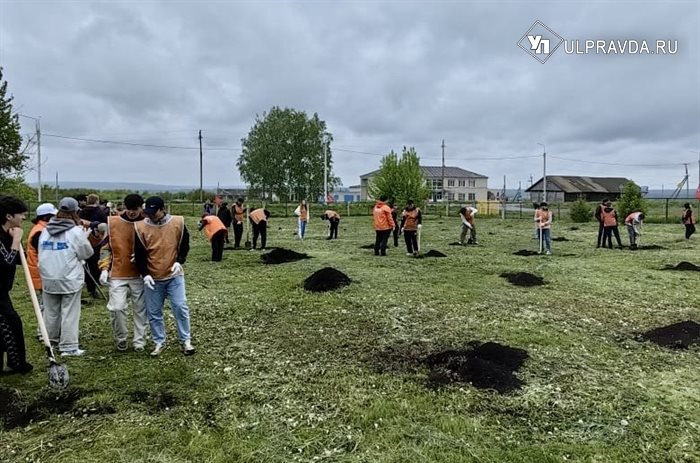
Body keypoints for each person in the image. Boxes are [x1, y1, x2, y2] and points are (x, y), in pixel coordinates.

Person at [134, 196, 194, 357]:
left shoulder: (178, 223)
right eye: (148, 212)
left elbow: (185, 243)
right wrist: (145, 274)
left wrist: (180, 261)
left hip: (174, 274)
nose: (151, 216)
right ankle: (159, 341)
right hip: (153, 277)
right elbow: (139, 253)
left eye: (154, 212)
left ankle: (186, 340)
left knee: (180, 306)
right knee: (153, 312)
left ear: (162, 209)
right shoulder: (140, 227)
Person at [38, 197, 95, 357]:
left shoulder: (45, 230)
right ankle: (69, 347)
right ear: (76, 212)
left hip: (48, 277)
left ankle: (50, 340)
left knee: (50, 311)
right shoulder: (75, 231)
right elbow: (87, 253)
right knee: (69, 312)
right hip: (69, 277)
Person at [98, 194, 147, 352]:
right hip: (118, 273)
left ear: (141, 208)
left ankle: (139, 340)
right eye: (129, 209)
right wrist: (104, 268)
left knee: (140, 309)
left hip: (140, 274)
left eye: (135, 209)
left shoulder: (147, 222)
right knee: (117, 308)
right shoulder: (113, 222)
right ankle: (121, 337)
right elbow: (106, 248)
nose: (132, 212)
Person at [0, 196, 33, 374]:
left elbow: (20, 259)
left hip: (2, 291)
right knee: (9, 324)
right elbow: (6, 262)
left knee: (11, 325)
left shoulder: (7, 234)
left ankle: (16, 362)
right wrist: (15, 241)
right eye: (21, 214)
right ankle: (17, 363)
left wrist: (17, 243)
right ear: (8, 216)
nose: (23, 217)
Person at [27, 203, 58, 340]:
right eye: (53, 216)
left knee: (46, 304)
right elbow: (44, 254)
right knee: (45, 305)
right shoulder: (40, 232)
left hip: (41, 271)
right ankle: (42, 332)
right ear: (46, 217)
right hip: (41, 273)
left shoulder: (40, 229)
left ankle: (45, 331)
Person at [79, 193, 108, 299]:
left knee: (84, 265)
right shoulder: (100, 212)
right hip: (97, 242)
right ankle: (93, 288)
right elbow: (105, 226)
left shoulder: (81, 212)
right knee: (95, 265)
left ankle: (86, 285)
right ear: (97, 201)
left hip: (82, 241)